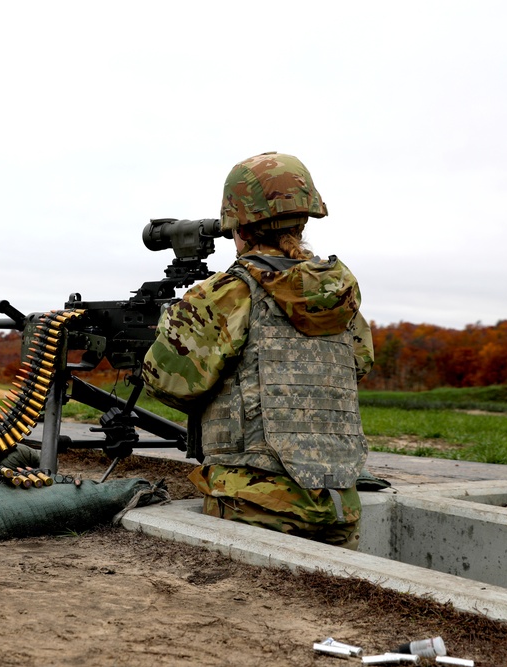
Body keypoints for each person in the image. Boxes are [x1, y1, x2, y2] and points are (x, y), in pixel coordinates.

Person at [142, 151, 374, 550]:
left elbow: (166, 382)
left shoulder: (229, 293)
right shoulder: (339, 293)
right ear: (303, 220)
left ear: (239, 227)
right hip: (339, 505)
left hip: (252, 503)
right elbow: (360, 364)